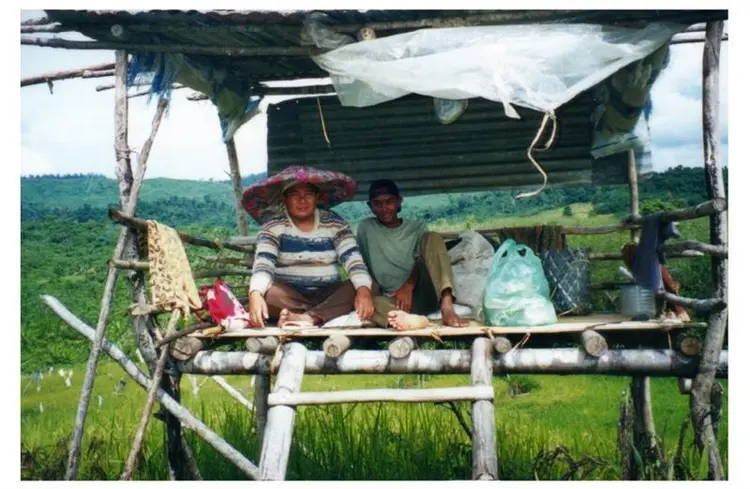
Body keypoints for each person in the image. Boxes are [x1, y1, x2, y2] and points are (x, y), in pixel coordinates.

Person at [242, 166, 374, 328]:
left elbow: (353, 259)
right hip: (290, 295)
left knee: (369, 287)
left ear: (317, 197)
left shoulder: (335, 223)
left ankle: (308, 318)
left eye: (308, 194)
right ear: (284, 198)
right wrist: (255, 294)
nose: (302, 200)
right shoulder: (273, 226)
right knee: (268, 294)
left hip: (329, 293)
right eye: (294, 195)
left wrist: (363, 289)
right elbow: (264, 265)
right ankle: (322, 314)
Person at [356, 179, 469, 331]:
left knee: (433, 237)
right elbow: (365, 266)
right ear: (370, 206)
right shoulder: (366, 228)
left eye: (389, 202)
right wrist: (370, 295)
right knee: (365, 304)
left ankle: (447, 306)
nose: (384, 208)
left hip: (422, 291)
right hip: (393, 301)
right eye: (377, 204)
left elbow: (421, 261)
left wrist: (408, 286)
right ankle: (414, 320)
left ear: (399, 201)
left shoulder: (417, 228)